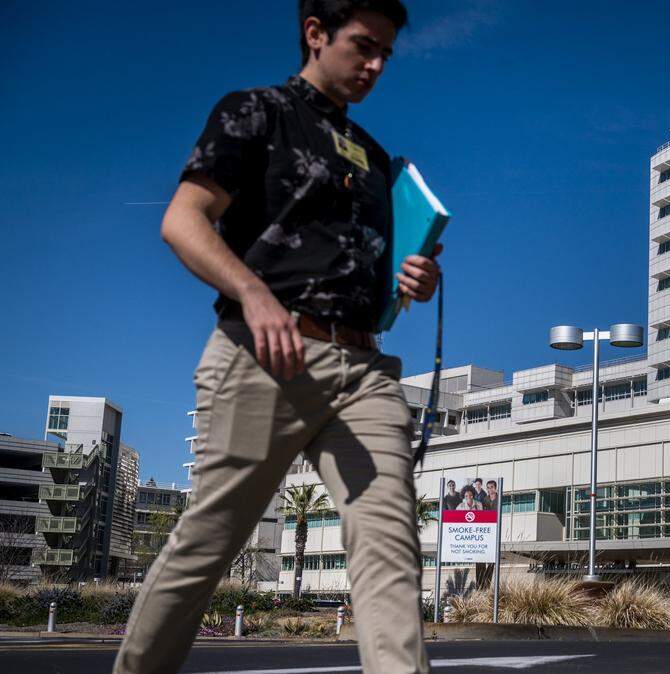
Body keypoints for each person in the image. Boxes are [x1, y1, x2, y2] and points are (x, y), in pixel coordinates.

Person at [114, 3, 436, 673]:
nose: (375, 65)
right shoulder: (255, 112)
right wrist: (252, 291)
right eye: (362, 45)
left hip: (365, 368)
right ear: (315, 33)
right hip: (266, 353)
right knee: (211, 539)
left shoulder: (376, 157)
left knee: (389, 548)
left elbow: (375, 278)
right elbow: (184, 220)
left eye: (386, 54)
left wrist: (412, 276)